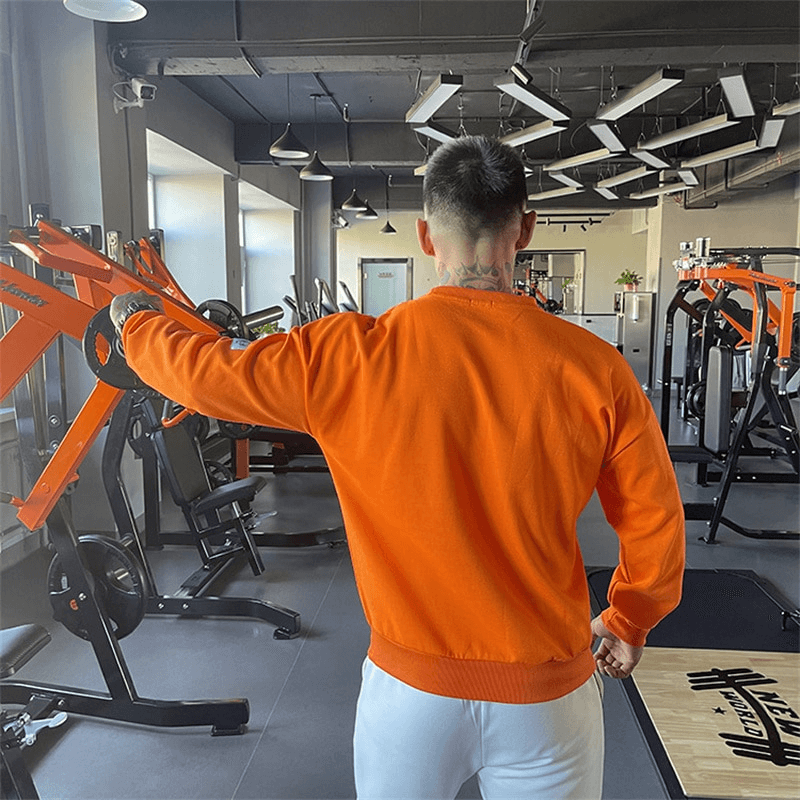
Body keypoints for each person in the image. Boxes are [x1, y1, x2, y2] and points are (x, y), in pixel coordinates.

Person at [110, 135, 685, 799]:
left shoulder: (349, 356)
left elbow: (207, 373)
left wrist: (136, 325)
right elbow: (655, 516)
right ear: (525, 229)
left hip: (411, 698)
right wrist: (629, 618)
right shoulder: (596, 368)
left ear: (424, 236)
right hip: (546, 697)